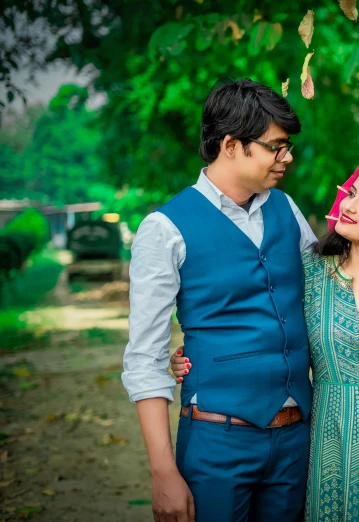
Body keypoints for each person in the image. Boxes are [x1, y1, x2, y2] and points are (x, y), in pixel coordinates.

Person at [173, 159, 359, 521]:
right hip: (328, 444)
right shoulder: (309, 271)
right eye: (353, 194)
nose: (350, 206)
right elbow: (267, 326)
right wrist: (194, 355)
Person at [121, 79, 318, 522]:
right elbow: (145, 359)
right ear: (232, 144)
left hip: (296, 443)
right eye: (275, 147)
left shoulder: (286, 209)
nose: (286, 158)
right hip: (217, 444)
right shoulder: (165, 228)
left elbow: (328, 300)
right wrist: (162, 473)